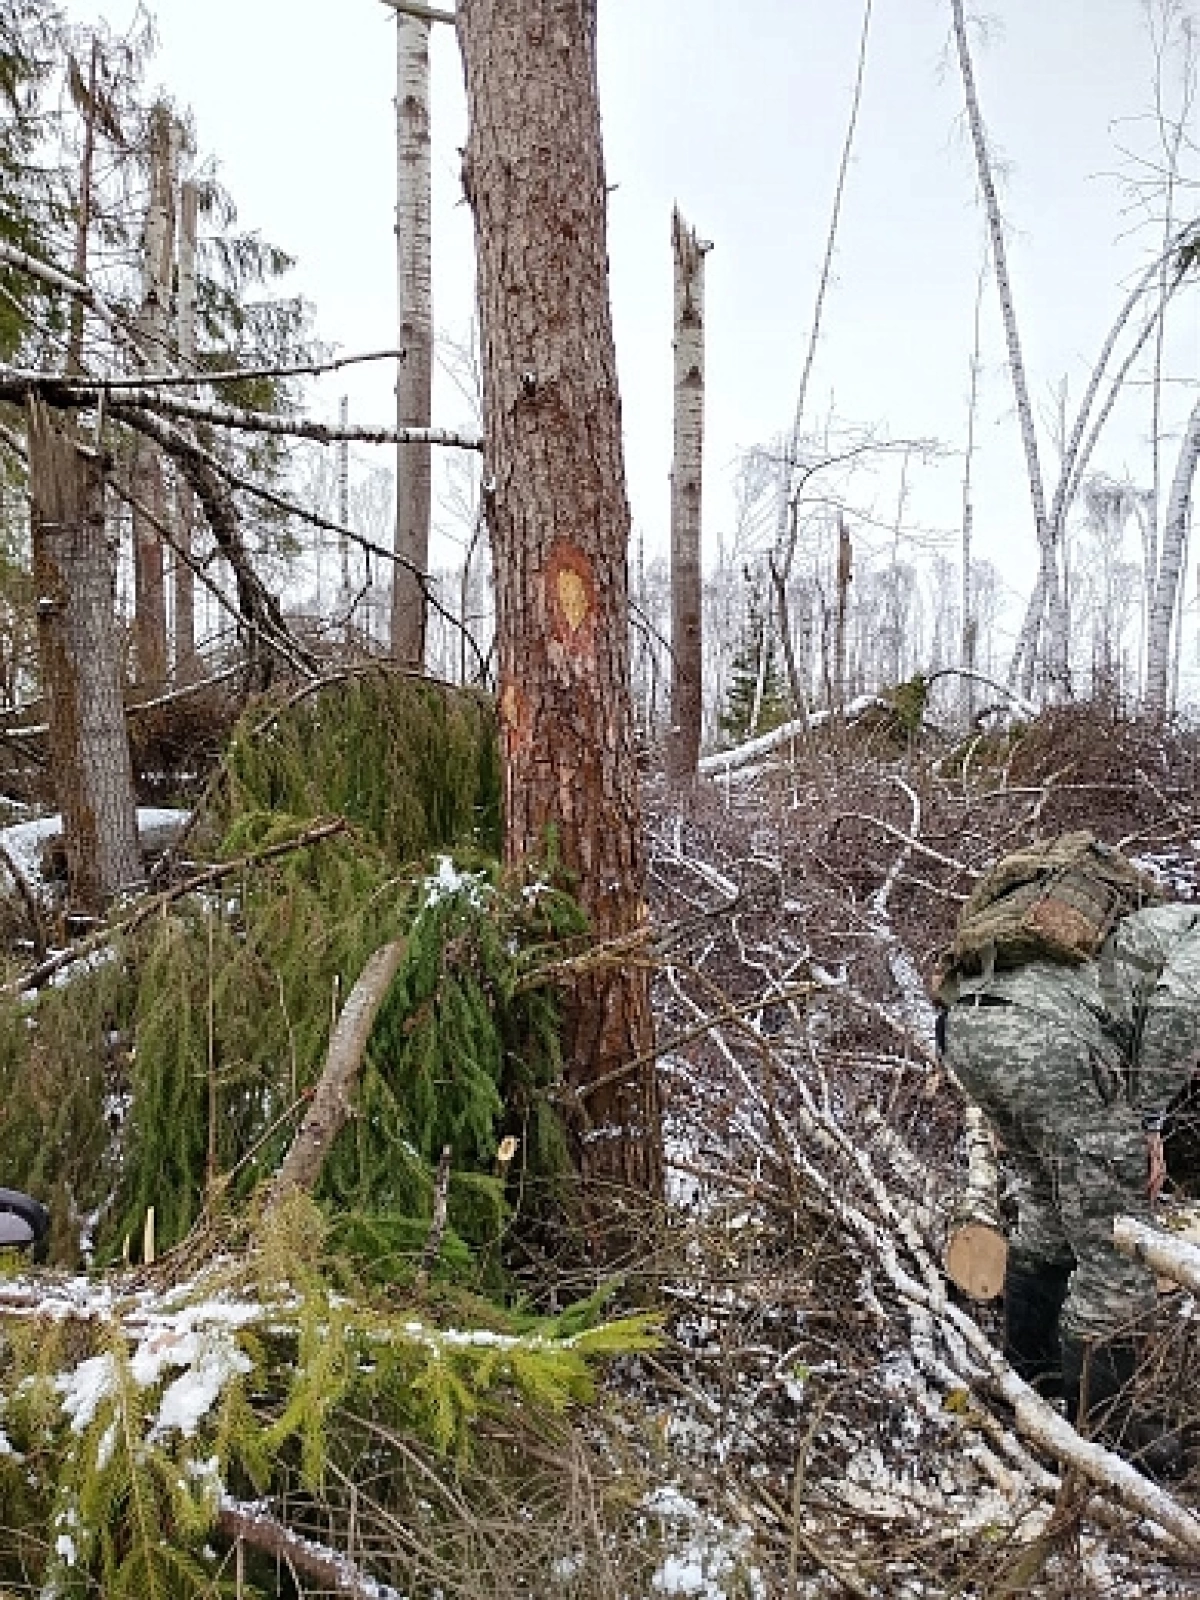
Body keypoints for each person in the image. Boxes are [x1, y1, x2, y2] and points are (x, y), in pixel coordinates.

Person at [940, 899, 1200, 1475]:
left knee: (1047, 1210)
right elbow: (1180, 1012)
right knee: (1115, 1245)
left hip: (968, 1027)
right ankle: (1103, 1431)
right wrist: (1146, 1121)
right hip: (1052, 1049)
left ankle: (1032, 1380)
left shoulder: (1152, 922)